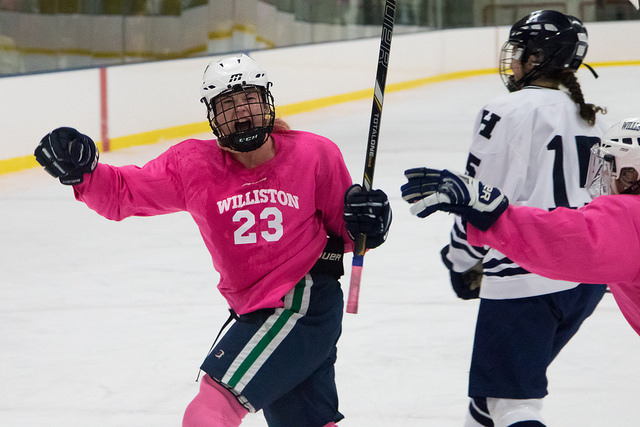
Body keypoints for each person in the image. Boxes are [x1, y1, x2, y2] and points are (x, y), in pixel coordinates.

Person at [34, 53, 392, 427]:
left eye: (249, 99)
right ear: (212, 115)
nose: (241, 112)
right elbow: (123, 193)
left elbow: (349, 233)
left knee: (212, 408)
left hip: (300, 302)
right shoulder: (192, 165)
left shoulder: (314, 153)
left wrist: (372, 223)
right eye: (227, 104)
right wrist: (85, 173)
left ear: (266, 100)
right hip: (258, 311)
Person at [408, 10, 609, 427]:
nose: (513, 61)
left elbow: (479, 198)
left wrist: (460, 260)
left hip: (526, 278)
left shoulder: (506, 110)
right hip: (587, 280)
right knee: (490, 400)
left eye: (520, 51)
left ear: (538, 56)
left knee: (510, 403)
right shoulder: (596, 117)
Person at [399, 115, 640, 337]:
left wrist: (492, 214)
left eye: (611, 167)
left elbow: (574, 240)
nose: (605, 177)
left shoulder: (630, 216)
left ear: (631, 174)